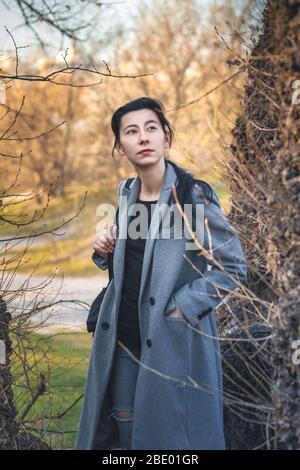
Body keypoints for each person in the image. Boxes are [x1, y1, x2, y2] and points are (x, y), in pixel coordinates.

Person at [75, 96, 248, 450]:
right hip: (122, 338)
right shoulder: (126, 193)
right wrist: (104, 250)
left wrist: (182, 306)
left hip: (171, 342)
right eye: (131, 132)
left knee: (171, 440)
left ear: (166, 138)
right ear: (119, 147)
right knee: (125, 433)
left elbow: (232, 267)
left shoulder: (193, 197)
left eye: (151, 129)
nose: (143, 138)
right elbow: (134, 256)